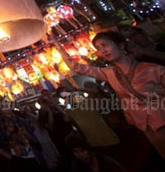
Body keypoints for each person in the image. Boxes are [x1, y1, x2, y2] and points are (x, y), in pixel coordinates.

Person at [53, 31, 165, 159]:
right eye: (99, 48)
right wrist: (57, 45)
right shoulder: (109, 73)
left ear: (121, 46)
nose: (103, 51)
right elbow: (77, 67)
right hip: (144, 125)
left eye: (105, 45)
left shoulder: (153, 69)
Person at [65, 132, 134, 172]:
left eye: (82, 150)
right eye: (76, 152)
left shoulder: (105, 160)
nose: (80, 155)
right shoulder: (77, 166)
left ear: (88, 149)